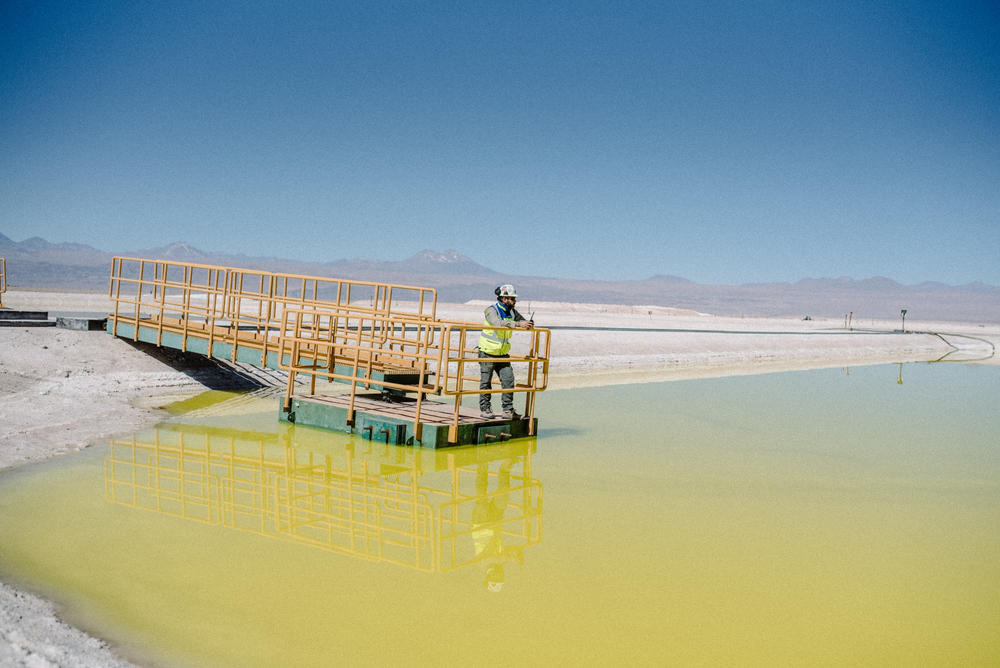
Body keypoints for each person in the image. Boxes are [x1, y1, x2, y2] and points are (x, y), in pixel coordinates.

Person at [477, 284, 533, 419]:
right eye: (512, 299)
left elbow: (521, 321)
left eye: (514, 299)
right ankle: (485, 409)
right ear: (504, 299)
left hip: (502, 354)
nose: (514, 301)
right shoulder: (491, 310)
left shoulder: (512, 312)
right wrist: (518, 324)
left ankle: (508, 410)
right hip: (487, 352)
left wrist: (528, 323)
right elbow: (497, 323)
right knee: (486, 382)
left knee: (508, 380)